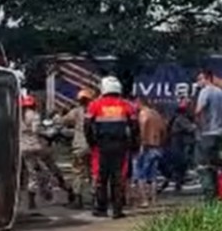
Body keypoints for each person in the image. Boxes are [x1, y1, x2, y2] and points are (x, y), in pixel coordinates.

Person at [84, 75, 139, 218]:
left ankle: (101, 208)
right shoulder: (127, 105)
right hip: (121, 147)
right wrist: (134, 145)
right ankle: (117, 210)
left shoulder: (95, 105)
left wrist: (92, 143)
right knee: (118, 178)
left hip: (101, 146)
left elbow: (87, 126)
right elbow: (134, 127)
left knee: (101, 178)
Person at [19, 93, 73, 209]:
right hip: (37, 147)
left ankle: (32, 202)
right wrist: (48, 133)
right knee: (50, 169)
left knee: (32, 173)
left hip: (24, 148)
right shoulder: (34, 115)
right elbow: (36, 130)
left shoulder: (18, 117)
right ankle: (64, 190)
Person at [193, 67, 222, 203]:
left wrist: (198, 125)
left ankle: (209, 198)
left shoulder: (205, 92)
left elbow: (198, 111)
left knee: (203, 166)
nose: (198, 82)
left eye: (200, 79)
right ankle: (218, 194)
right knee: (214, 166)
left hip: (207, 133)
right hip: (219, 133)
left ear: (207, 78)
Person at [55, 88, 95, 209]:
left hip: (79, 147)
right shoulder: (95, 110)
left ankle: (78, 199)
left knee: (78, 173)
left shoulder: (76, 112)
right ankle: (95, 198)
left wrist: (60, 115)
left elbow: (62, 121)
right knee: (93, 173)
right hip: (93, 146)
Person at [134, 96, 168, 208]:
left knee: (140, 175)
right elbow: (164, 129)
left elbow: (143, 128)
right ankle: (154, 200)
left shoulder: (143, 114)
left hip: (146, 147)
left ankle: (144, 200)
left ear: (139, 102)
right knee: (153, 176)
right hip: (157, 146)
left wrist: (142, 144)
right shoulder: (156, 114)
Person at [163, 93, 197, 192]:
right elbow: (191, 129)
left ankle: (175, 181)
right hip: (179, 144)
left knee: (179, 164)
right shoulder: (181, 119)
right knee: (180, 164)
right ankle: (175, 182)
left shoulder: (177, 118)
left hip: (177, 144)